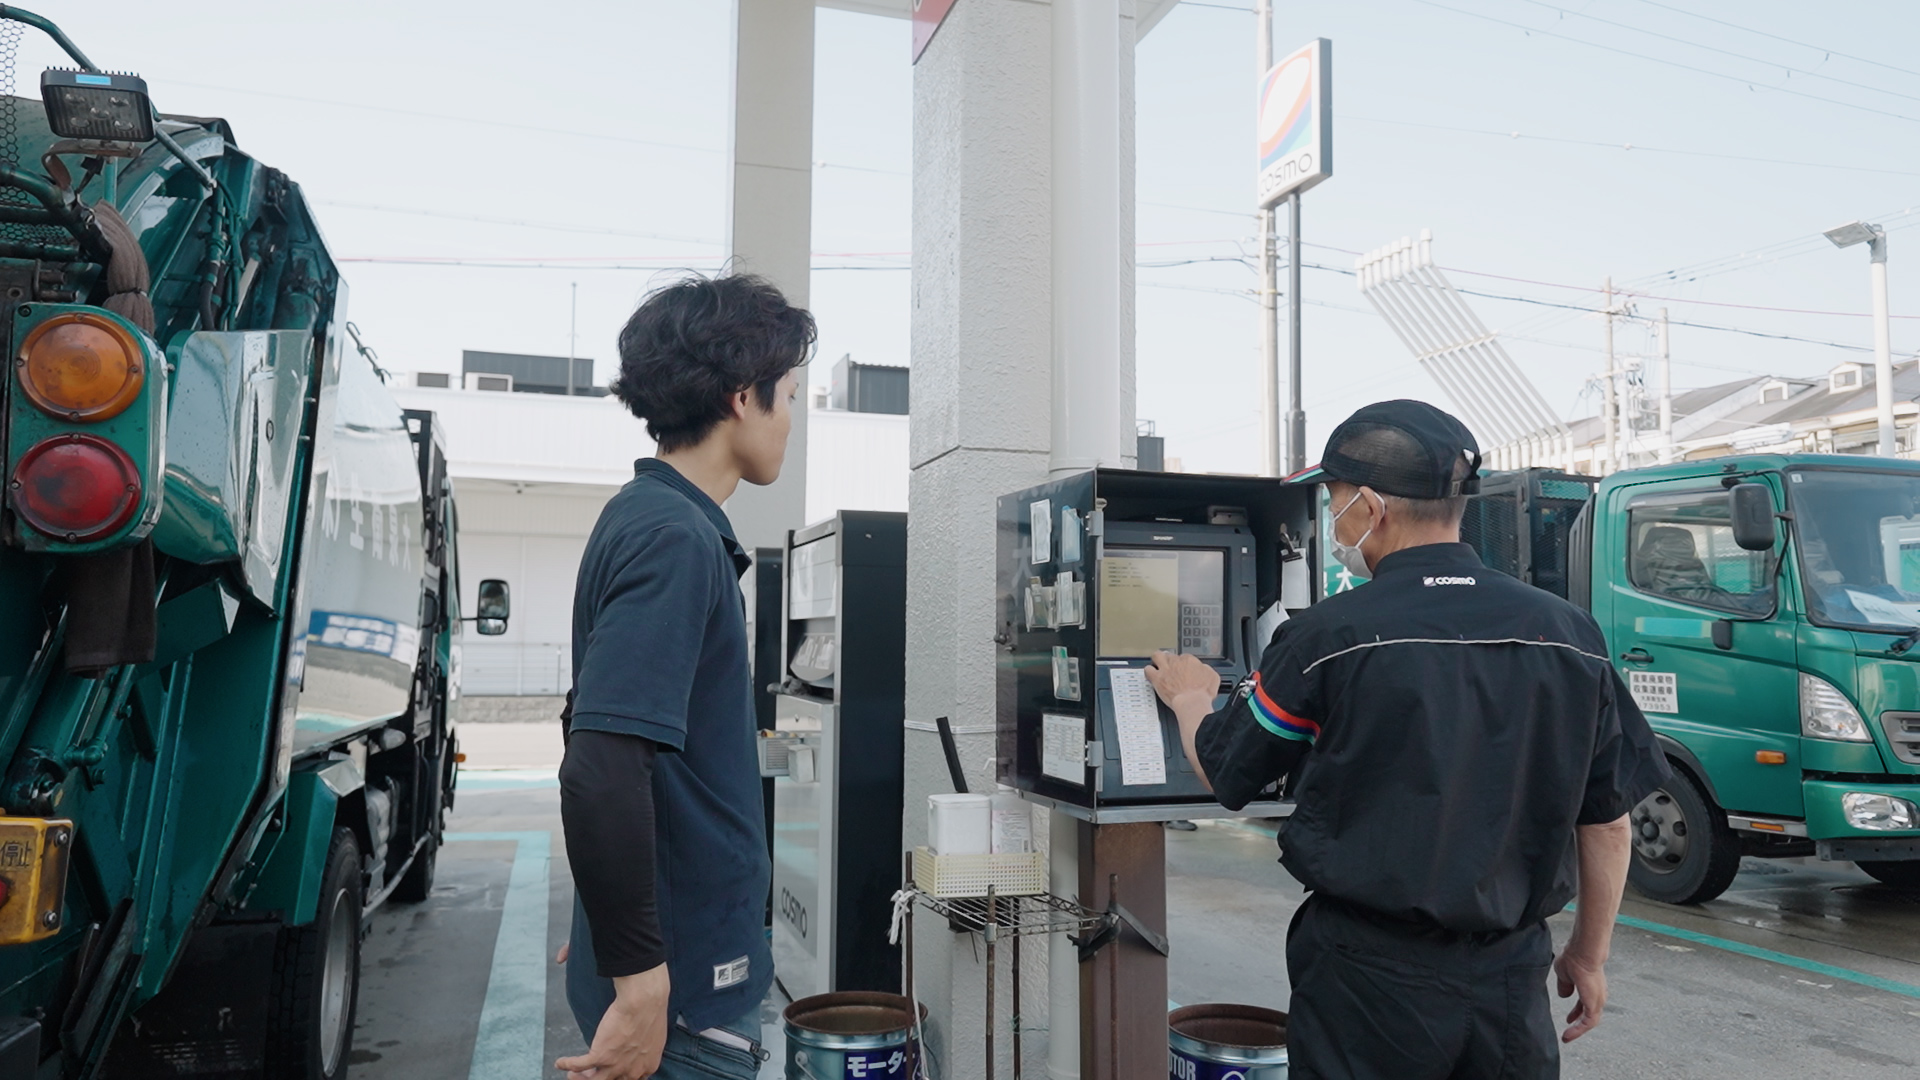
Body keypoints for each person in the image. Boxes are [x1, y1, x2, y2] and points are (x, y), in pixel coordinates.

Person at [1143, 399, 1669, 1080]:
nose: (1335, 523)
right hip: (1510, 977)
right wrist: (1588, 956)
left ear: (1369, 507)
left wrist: (1190, 700)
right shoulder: (1570, 634)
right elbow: (1607, 822)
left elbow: (1229, 771)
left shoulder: (1328, 637)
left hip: (1369, 979)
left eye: (1333, 503)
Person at [554, 273, 815, 1080]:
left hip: (675, 961)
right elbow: (598, 767)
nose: (792, 420)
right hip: (689, 1000)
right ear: (743, 397)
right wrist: (637, 976)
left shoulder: (649, 516)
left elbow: (593, 722)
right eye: (791, 396)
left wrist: (611, 923)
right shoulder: (675, 538)